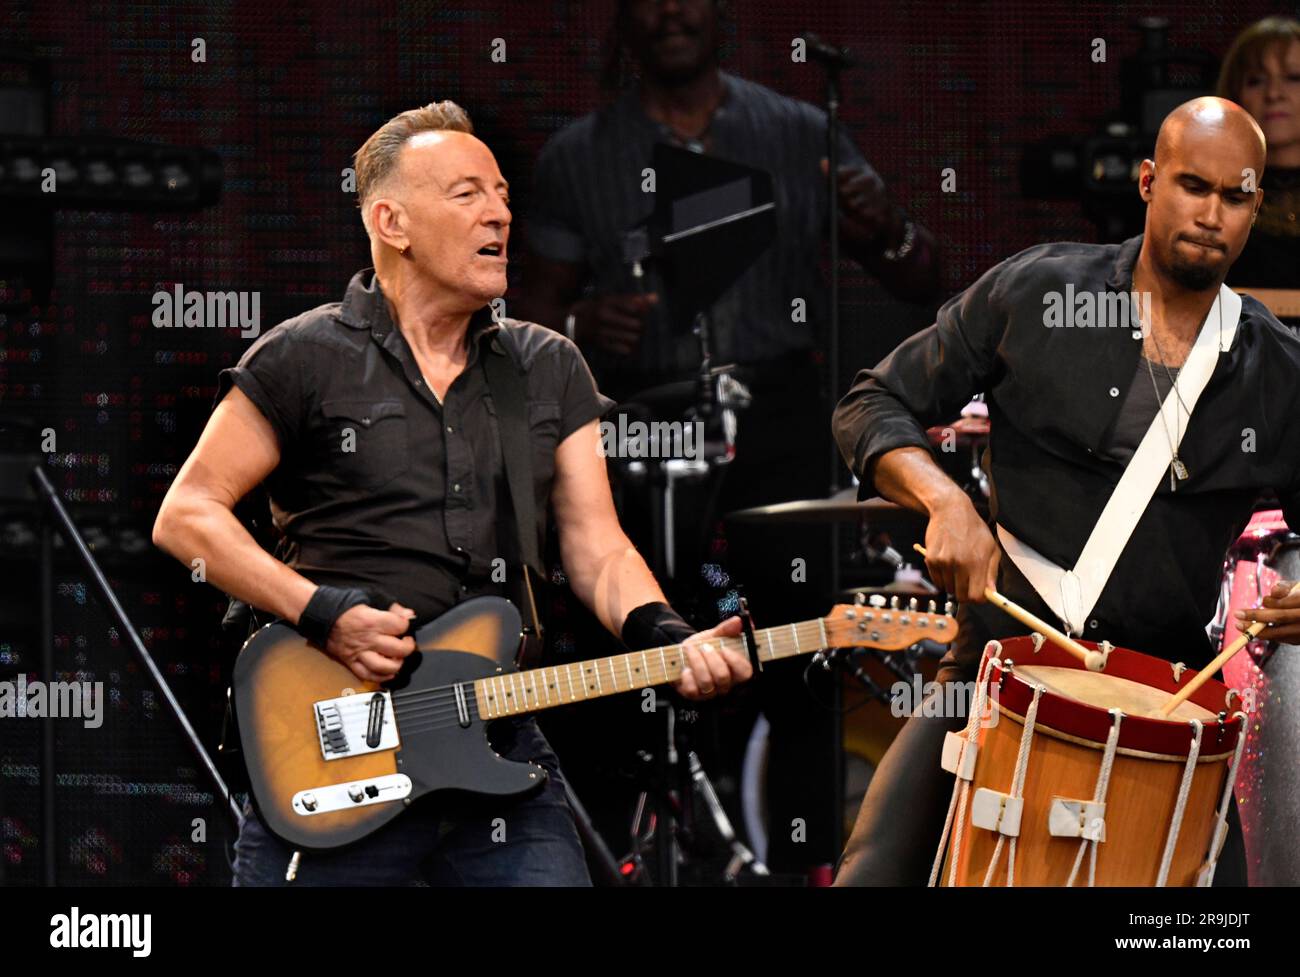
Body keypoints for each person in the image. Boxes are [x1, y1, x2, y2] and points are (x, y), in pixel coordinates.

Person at [151, 101, 752, 886]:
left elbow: (595, 544)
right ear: (391, 220)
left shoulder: (546, 366)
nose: (500, 212)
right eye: (468, 193)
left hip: (498, 741)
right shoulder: (303, 357)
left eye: (503, 193)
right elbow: (187, 514)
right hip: (337, 742)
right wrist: (322, 612)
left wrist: (670, 633)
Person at [514, 0, 942, 875]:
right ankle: (617, 862)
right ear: (623, 22)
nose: (672, 12)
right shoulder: (578, 157)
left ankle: (805, 867)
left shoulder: (795, 130)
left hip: (780, 427)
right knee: (625, 662)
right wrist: (586, 323)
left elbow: (920, 274)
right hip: (634, 438)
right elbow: (529, 318)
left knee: (803, 667)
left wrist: (885, 223)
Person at [832, 96, 1300, 886]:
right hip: (995, 667)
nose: (1212, 213)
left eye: (1236, 196)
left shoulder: (1278, 372)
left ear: (1257, 207)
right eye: (1193, 186)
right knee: (869, 874)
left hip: (1168, 699)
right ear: (1148, 181)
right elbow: (870, 402)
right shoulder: (1042, 291)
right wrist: (947, 502)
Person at [1218, 16, 1300, 292]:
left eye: (1293, 78)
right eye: (1256, 81)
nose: (1274, 93)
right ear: (1235, 93)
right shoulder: (1213, 195)